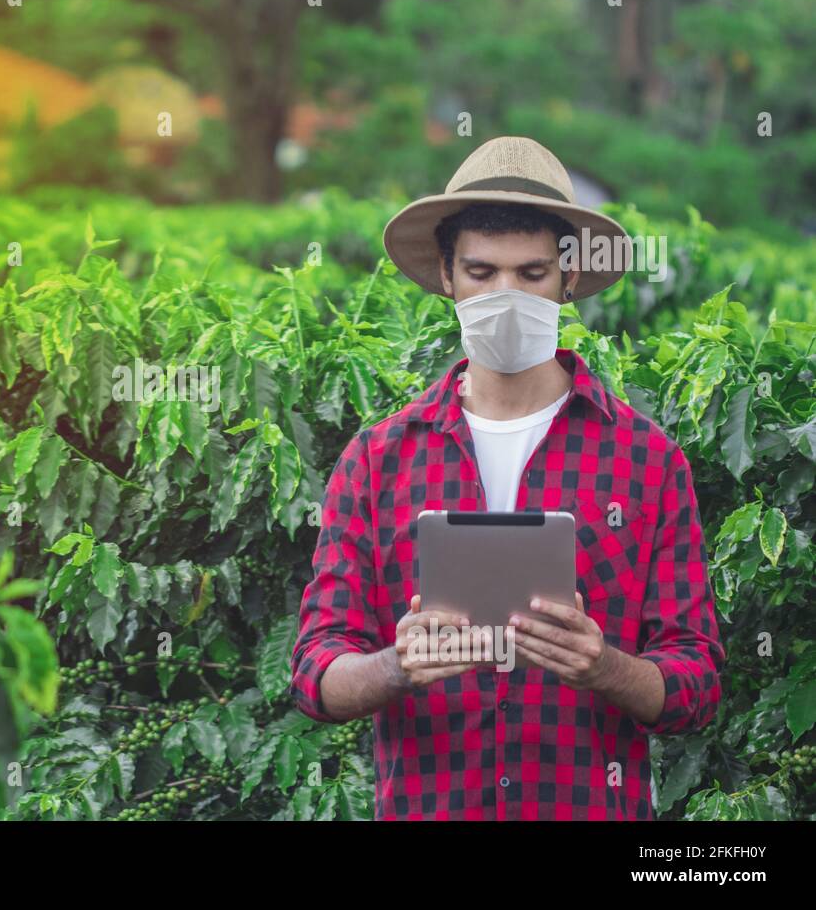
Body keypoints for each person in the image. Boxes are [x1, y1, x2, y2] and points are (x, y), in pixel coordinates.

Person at [289, 136, 725, 820]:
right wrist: (394, 667)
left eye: (532, 273)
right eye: (482, 272)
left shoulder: (646, 459)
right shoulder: (378, 458)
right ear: (445, 276)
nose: (505, 295)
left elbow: (696, 682)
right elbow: (317, 672)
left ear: (569, 278)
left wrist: (606, 666)